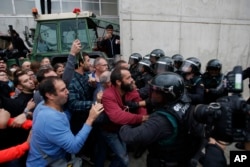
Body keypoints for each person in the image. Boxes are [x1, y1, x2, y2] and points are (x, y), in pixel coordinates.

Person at [119, 72, 204, 167]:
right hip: (183, 155)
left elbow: (130, 136)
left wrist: (124, 122)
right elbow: (155, 101)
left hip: (166, 161)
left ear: (168, 95)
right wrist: (137, 104)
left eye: (156, 92)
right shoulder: (183, 99)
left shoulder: (161, 121)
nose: (152, 94)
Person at [26, 76, 103, 166]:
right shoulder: (51, 118)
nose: (68, 92)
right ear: (50, 95)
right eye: (63, 90)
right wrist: (91, 118)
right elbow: (74, 147)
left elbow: (64, 115)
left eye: (66, 88)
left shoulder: (43, 105)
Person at [101, 67, 148, 167]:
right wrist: (141, 118)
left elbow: (139, 103)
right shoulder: (108, 95)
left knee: (122, 154)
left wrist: (142, 115)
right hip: (110, 131)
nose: (132, 80)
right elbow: (117, 116)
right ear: (118, 82)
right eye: (128, 78)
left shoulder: (130, 89)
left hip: (122, 128)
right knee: (124, 159)